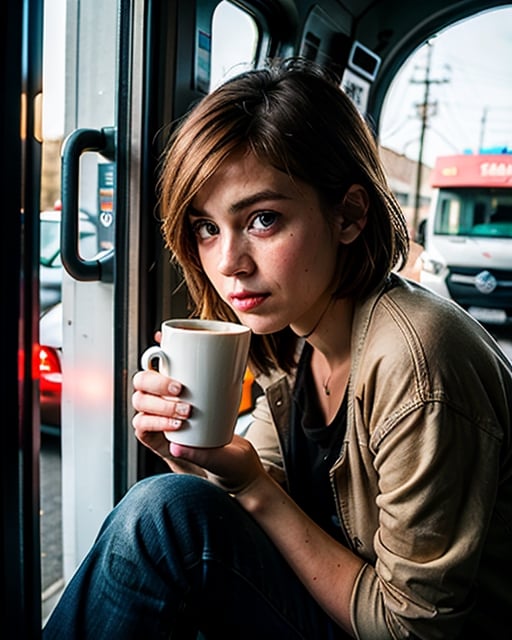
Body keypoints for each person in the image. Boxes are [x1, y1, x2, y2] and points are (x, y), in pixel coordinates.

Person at [43, 57, 512, 639]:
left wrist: (252, 489)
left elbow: (412, 628)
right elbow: (238, 498)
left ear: (349, 215)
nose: (227, 263)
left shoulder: (417, 361)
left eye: (262, 219)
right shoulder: (297, 341)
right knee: (169, 505)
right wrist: (187, 453)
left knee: (158, 513)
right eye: (206, 228)